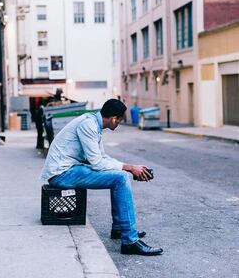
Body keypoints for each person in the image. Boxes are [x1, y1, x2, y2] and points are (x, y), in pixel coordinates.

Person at [40, 99, 163, 256]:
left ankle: (120, 229)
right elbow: (97, 163)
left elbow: (102, 158)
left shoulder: (94, 125)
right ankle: (130, 241)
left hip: (69, 170)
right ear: (113, 118)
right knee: (120, 178)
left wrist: (130, 168)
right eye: (120, 120)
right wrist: (130, 168)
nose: (119, 123)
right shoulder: (88, 125)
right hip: (62, 174)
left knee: (121, 175)